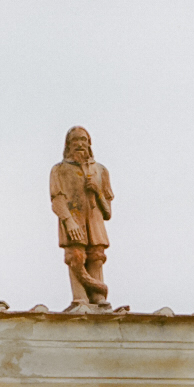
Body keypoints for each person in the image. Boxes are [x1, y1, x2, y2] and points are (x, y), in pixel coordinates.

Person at [50, 126, 113, 307]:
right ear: (68, 144)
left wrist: (98, 192)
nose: (80, 144)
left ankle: (98, 297)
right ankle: (80, 300)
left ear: (89, 144)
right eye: (75, 140)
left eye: (83, 140)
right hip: (73, 220)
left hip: (95, 223)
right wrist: (69, 222)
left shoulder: (101, 171)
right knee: (76, 256)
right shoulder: (59, 170)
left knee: (96, 256)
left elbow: (108, 211)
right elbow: (57, 199)